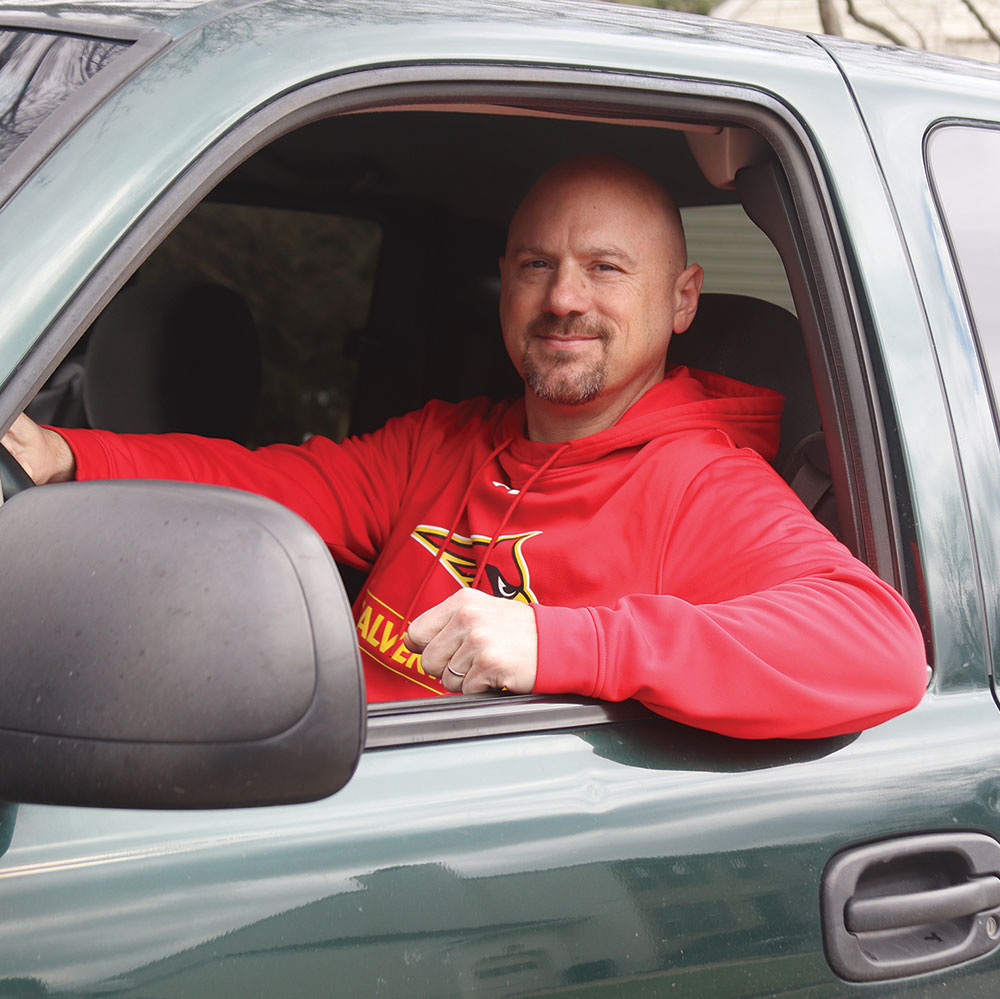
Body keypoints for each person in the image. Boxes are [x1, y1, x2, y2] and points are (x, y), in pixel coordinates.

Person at [1, 154, 928, 739]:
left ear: (683, 299)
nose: (565, 297)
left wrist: (568, 642)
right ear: (505, 285)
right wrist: (64, 457)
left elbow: (879, 647)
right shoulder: (445, 439)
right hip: (304, 797)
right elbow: (269, 481)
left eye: (607, 268)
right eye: (537, 264)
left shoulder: (703, 483)